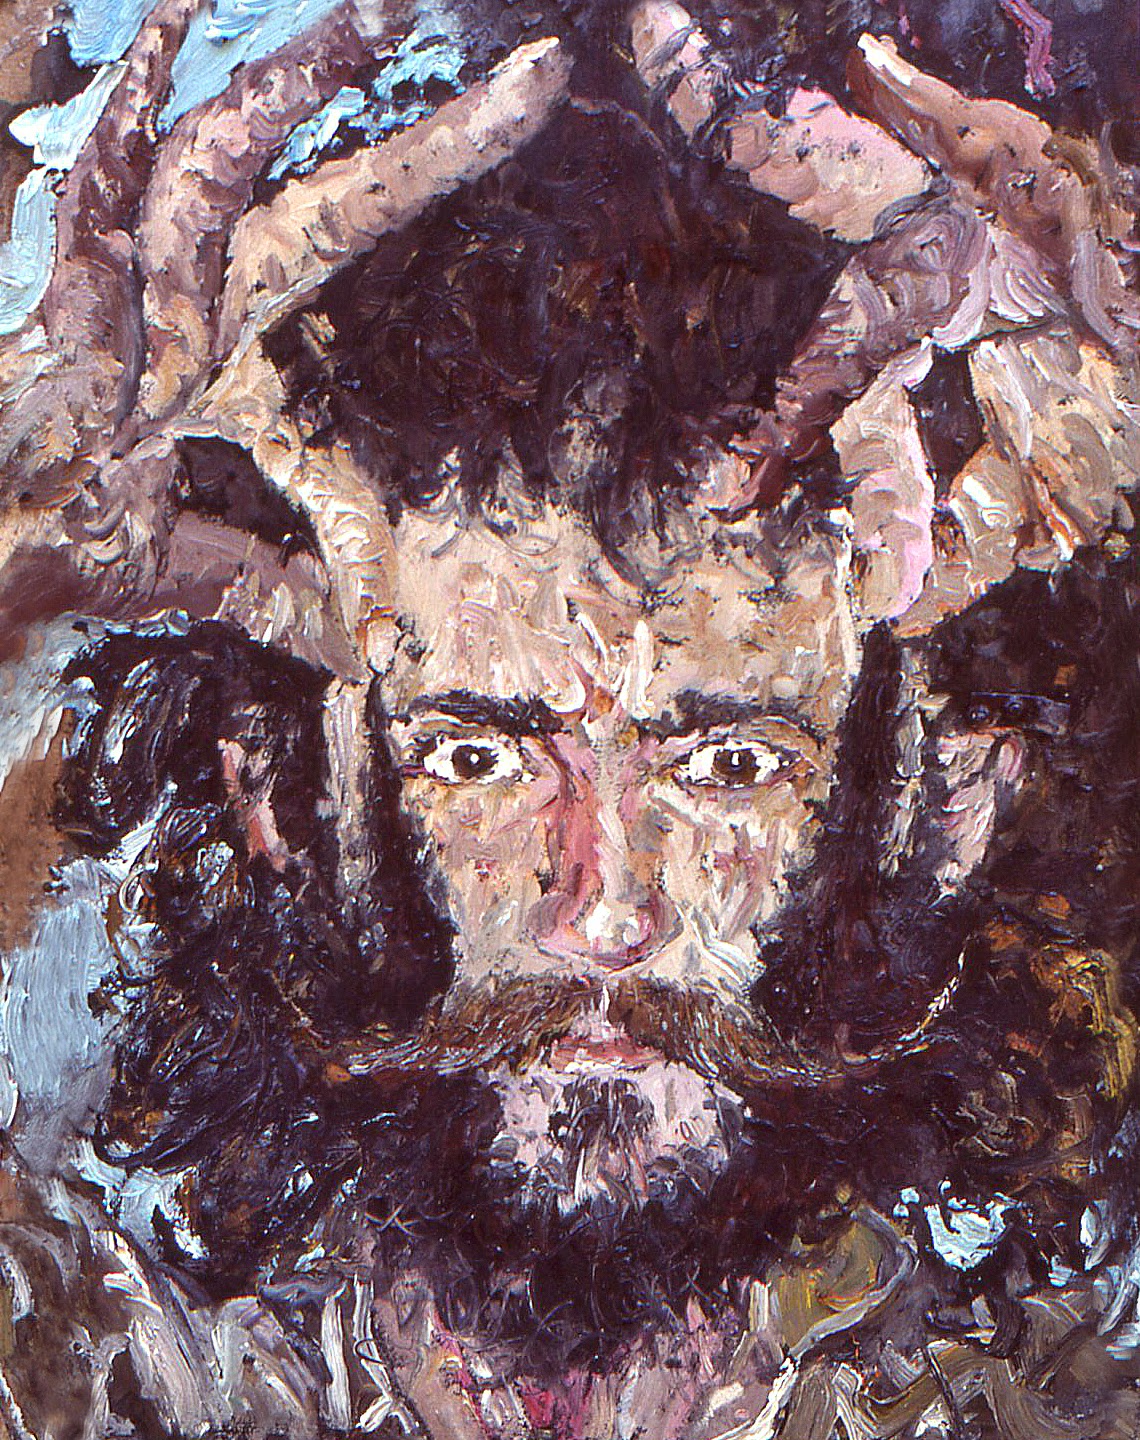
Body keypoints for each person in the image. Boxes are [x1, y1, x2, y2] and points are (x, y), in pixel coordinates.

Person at [1, 1, 1140, 1436]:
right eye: (478, 759)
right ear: (282, 801)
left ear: (941, 804)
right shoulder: (60, 1356)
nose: (603, 916)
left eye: (731, 764)